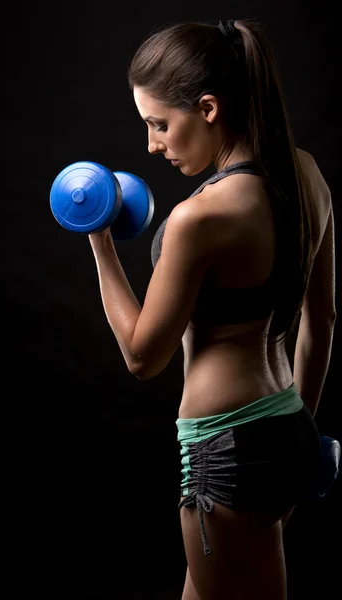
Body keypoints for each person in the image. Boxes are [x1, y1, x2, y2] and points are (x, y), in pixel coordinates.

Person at [87, 18, 336, 600]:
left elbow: (143, 357)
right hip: (289, 424)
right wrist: (299, 435)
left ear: (208, 107)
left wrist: (99, 238)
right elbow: (320, 324)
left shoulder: (200, 219)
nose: (152, 144)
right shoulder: (307, 175)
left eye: (160, 124)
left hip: (227, 453)